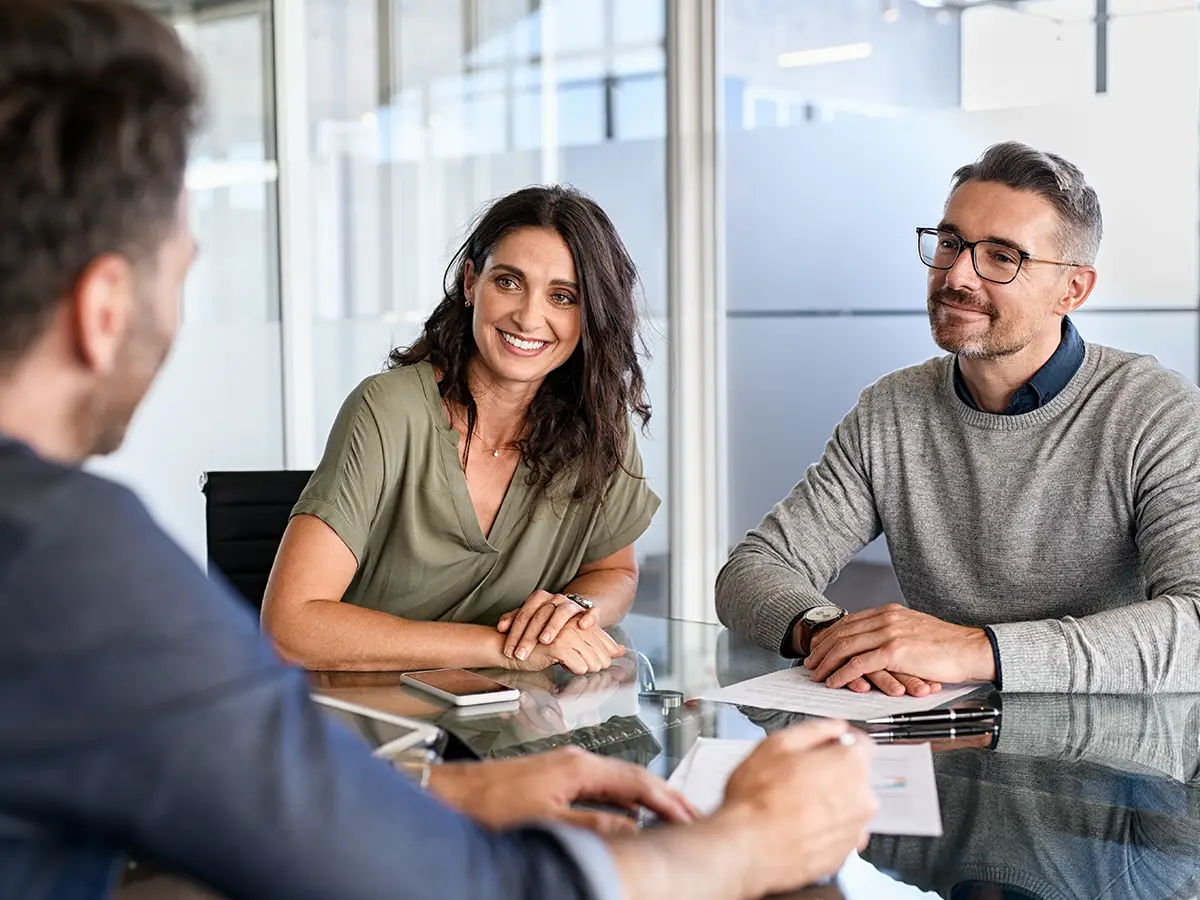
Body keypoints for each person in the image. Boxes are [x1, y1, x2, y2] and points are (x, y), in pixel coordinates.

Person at [0, 2, 879, 899]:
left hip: (436, 760)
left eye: (565, 297)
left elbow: (229, 800)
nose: (532, 315)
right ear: (104, 307)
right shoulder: (65, 563)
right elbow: (435, 871)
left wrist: (457, 780)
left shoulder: (58, 564)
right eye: (182, 270)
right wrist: (742, 843)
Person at [717, 141, 1200, 696]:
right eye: (950, 243)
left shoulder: (1156, 413)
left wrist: (975, 649)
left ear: (1072, 289)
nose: (957, 276)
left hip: (1113, 762)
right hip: (937, 753)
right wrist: (834, 633)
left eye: (1002, 256)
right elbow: (752, 570)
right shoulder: (892, 411)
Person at [262, 185, 660, 674]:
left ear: (590, 314)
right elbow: (290, 627)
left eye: (562, 297)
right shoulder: (388, 410)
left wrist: (574, 609)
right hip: (365, 724)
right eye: (509, 282)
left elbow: (613, 570)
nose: (529, 316)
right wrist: (503, 649)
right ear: (471, 283)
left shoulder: (600, 424)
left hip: (512, 728)